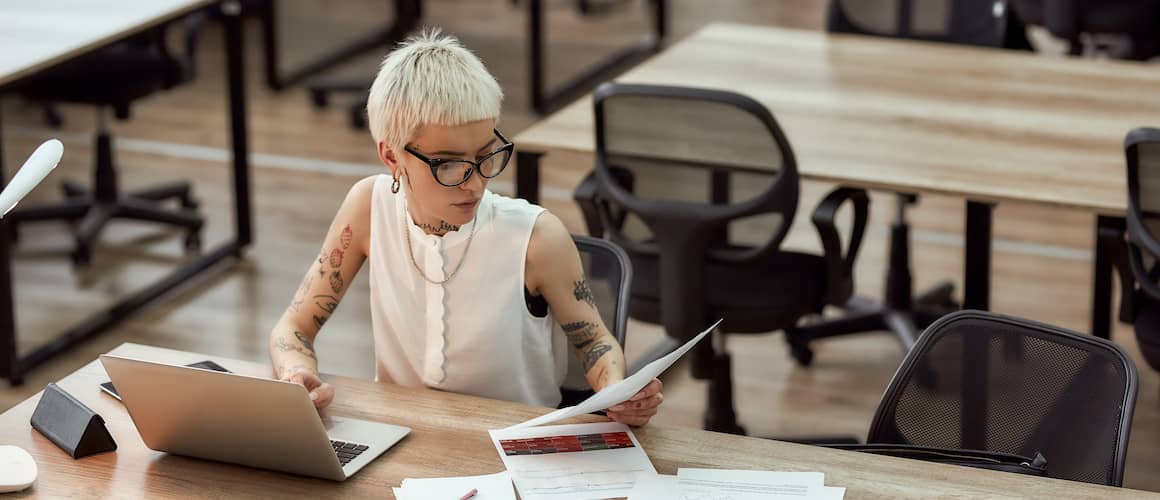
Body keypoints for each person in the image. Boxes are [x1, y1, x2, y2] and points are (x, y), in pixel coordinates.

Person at [268, 29, 662, 426]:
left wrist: (619, 392)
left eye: (486, 155)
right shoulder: (368, 207)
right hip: (401, 435)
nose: (475, 182)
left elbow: (594, 341)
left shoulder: (537, 238)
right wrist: (295, 373)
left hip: (520, 444)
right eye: (448, 163)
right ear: (391, 156)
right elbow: (294, 328)